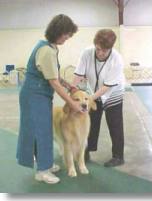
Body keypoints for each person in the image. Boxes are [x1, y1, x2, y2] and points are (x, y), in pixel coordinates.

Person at [16, 14, 83, 184]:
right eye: (66, 34)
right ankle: (42, 172)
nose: (67, 38)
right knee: (40, 131)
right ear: (58, 31)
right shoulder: (46, 50)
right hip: (33, 95)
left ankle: (45, 164)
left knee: (45, 130)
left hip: (41, 95)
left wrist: (70, 85)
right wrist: (72, 103)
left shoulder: (51, 47)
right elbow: (53, 82)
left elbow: (55, 75)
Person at [73, 29, 125, 167]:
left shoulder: (117, 60)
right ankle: (86, 151)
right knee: (90, 121)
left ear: (111, 48)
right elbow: (78, 75)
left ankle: (118, 156)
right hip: (93, 91)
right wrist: (72, 91)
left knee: (115, 124)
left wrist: (89, 99)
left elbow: (107, 86)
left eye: (105, 50)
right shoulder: (87, 53)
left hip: (113, 92)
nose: (100, 53)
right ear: (95, 44)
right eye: (98, 49)